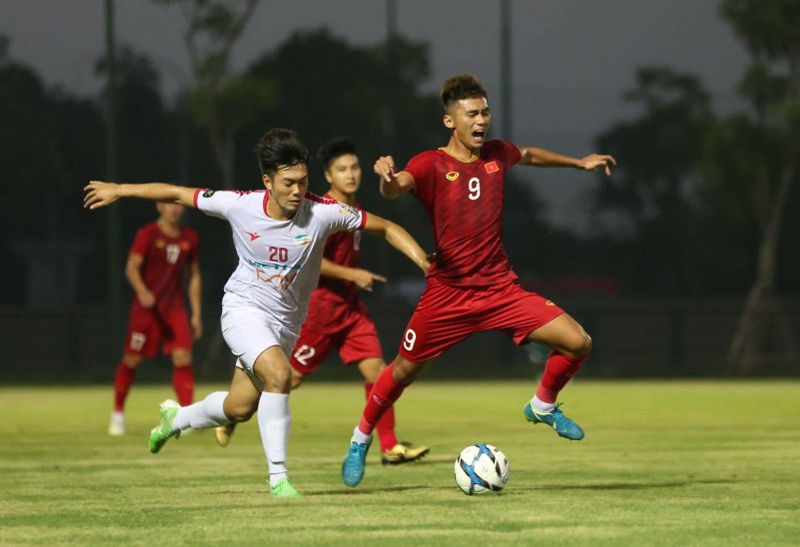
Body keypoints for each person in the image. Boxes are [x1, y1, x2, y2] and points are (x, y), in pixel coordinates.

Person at [84, 128, 430, 498]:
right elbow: (176, 193)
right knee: (280, 375)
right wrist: (120, 189)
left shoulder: (323, 212)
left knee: (239, 408)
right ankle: (278, 479)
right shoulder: (240, 205)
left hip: (286, 325)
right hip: (243, 310)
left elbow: (386, 228)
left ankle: (177, 418)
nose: (298, 191)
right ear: (268, 181)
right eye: (288, 183)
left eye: (303, 181)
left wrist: (427, 264)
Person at [341, 74, 617, 488]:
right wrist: (385, 177)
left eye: (485, 112)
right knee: (401, 372)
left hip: (500, 290)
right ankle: (360, 439)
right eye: (472, 113)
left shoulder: (497, 154)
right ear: (450, 120)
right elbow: (396, 189)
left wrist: (579, 163)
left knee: (578, 342)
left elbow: (529, 155)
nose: (482, 120)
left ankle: (543, 405)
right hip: (448, 296)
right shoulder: (430, 163)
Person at [214, 138, 429, 466]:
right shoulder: (320, 212)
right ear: (328, 176)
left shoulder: (352, 211)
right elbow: (307, 261)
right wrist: (352, 273)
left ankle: (390, 445)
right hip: (320, 309)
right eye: (342, 169)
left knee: (377, 370)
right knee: (288, 378)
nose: (351, 174)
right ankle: (234, 411)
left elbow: (384, 227)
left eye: (354, 167)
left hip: (350, 308)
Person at [108, 202, 202, 436]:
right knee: (132, 359)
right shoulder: (147, 234)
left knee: (183, 357)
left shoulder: (190, 238)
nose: (174, 209)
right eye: (168, 204)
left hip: (174, 309)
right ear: (159, 206)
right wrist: (142, 291)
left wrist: (196, 313)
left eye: (178, 204)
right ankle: (117, 414)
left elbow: (194, 276)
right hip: (146, 311)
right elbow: (132, 267)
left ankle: (185, 417)